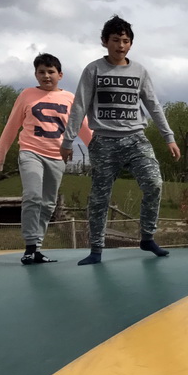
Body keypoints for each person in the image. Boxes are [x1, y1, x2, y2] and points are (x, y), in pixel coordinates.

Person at [60, 15, 181, 265]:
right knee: (100, 196)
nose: (121, 45)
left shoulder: (139, 71)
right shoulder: (94, 70)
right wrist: (68, 140)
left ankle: (147, 237)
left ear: (131, 44)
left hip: (136, 139)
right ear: (105, 42)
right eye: (116, 40)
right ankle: (96, 249)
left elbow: (153, 105)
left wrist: (169, 137)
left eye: (125, 41)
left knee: (154, 183)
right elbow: (79, 106)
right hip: (104, 141)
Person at [0, 53, 92, 265]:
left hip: (57, 156)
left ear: (60, 74)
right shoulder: (27, 95)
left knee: (48, 203)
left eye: (51, 72)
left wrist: (104, 153)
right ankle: (28, 247)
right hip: (30, 151)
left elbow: (83, 127)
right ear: (36, 75)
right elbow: (11, 127)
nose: (46, 76)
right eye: (41, 72)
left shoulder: (70, 98)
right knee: (33, 196)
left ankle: (37, 248)